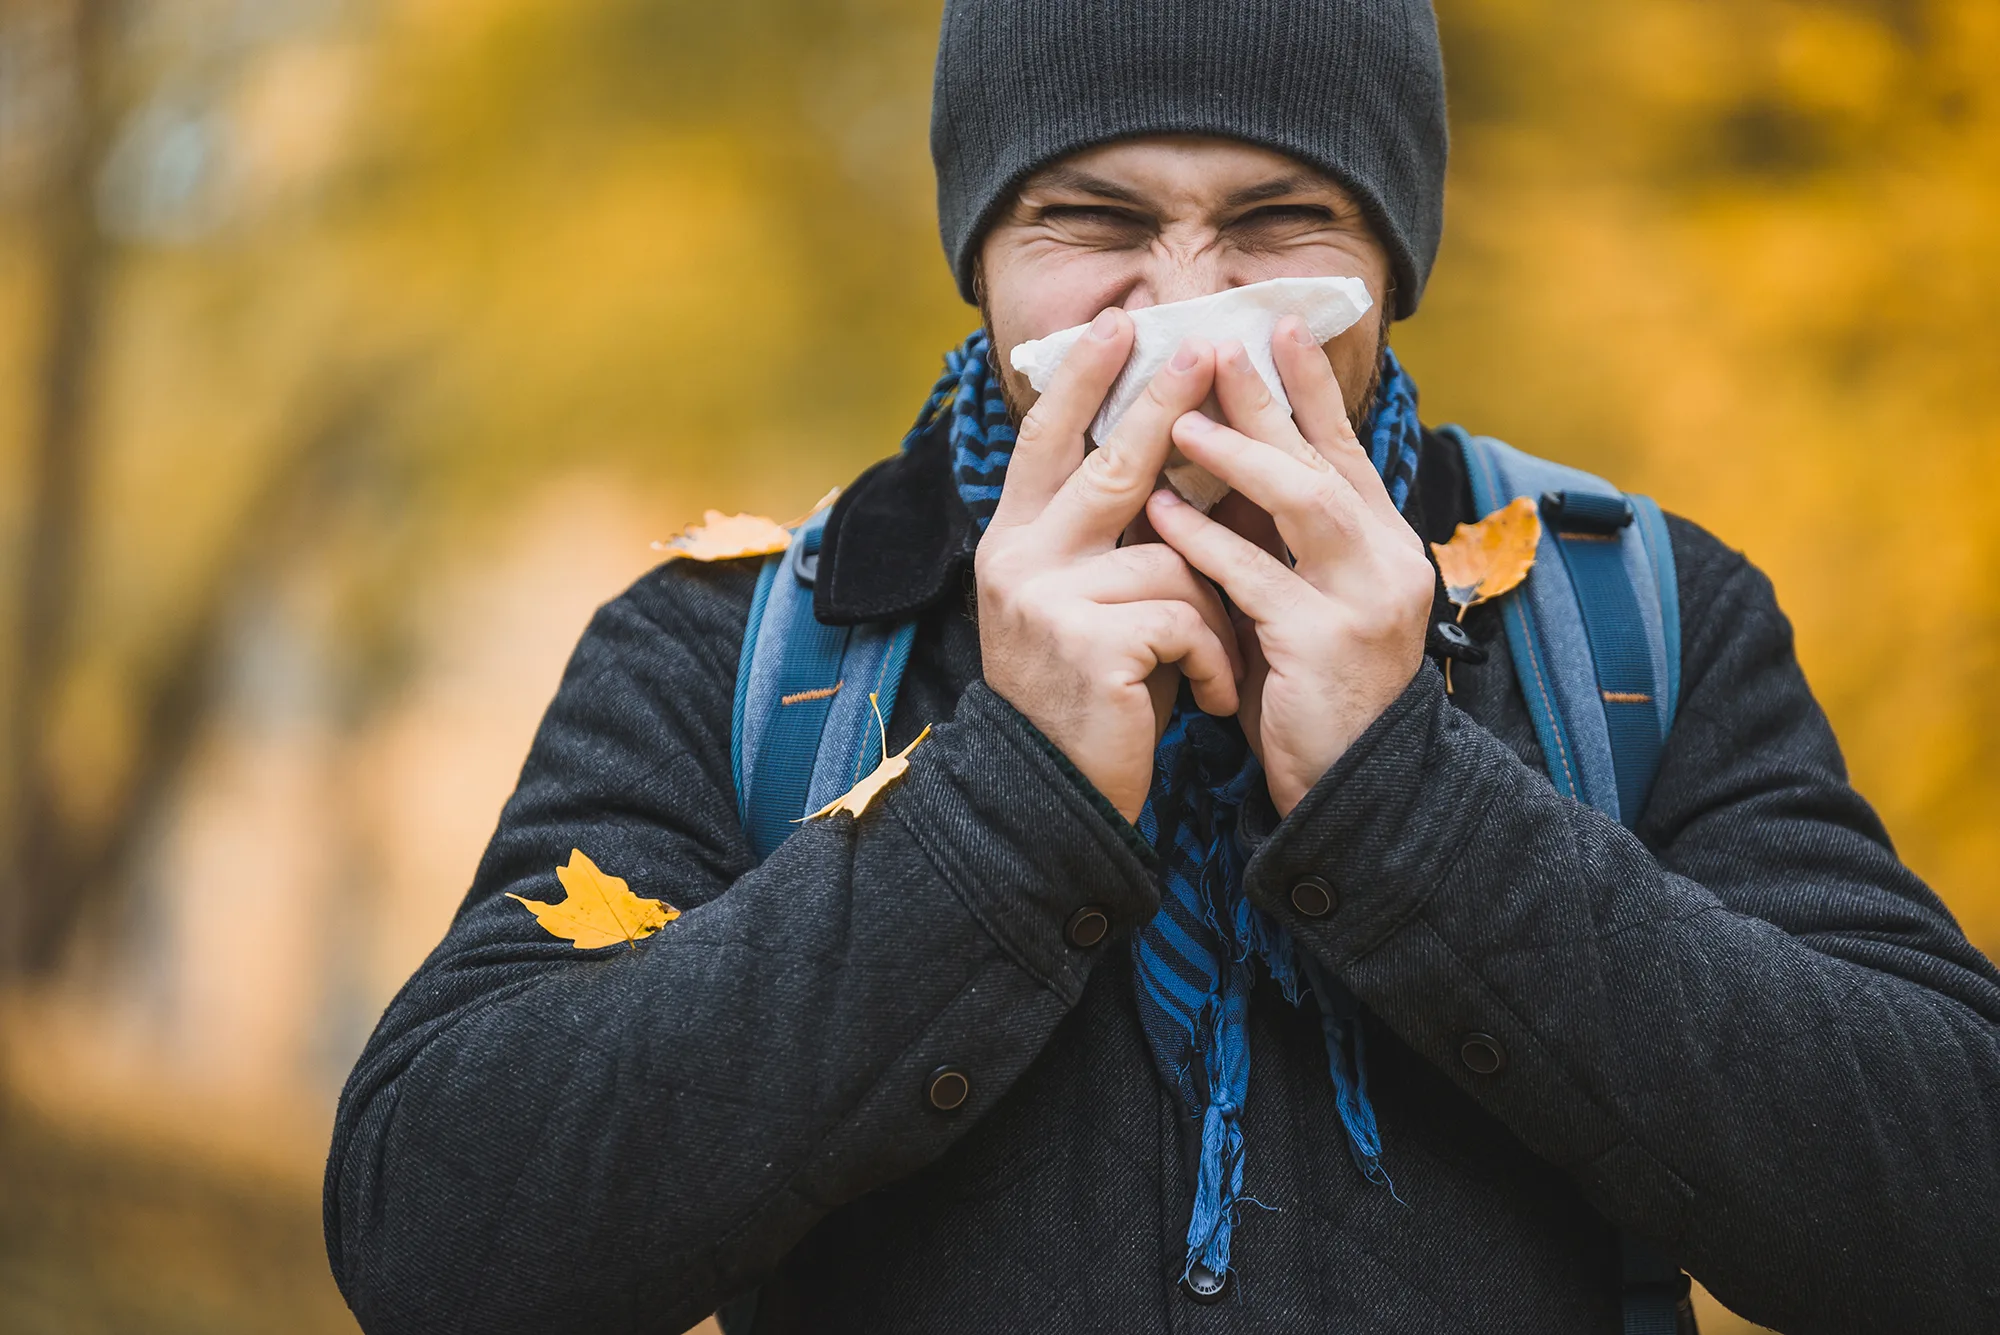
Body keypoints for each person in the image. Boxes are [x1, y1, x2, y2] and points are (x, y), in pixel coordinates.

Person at [324, 1, 2000, 1331]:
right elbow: (439, 1234)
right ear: (984, 251)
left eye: (1280, 223)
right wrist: (1004, 801)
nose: (1187, 307)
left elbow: (1952, 1210)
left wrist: (1411, 798)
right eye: (1095, 219)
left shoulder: (1630, 622)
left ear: (1393, 261)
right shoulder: (742, 644)